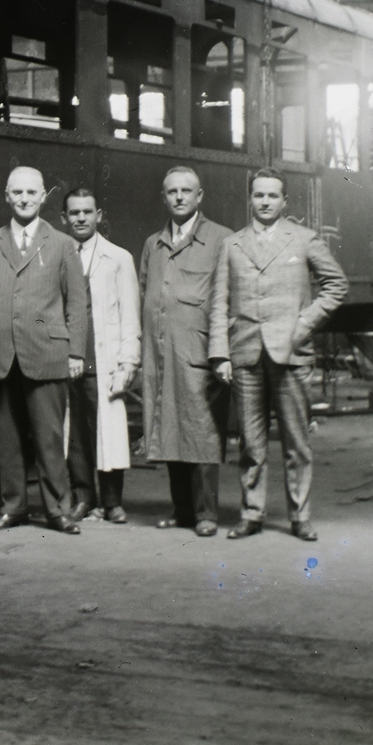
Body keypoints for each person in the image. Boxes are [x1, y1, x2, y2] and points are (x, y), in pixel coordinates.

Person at [210, 169, 347, 542]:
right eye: (259, 196)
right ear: (250, 200)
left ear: (285, 201)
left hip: (292, 354)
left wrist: (304, 324)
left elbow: (337, 285)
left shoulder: (303, 240)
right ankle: (251, 513)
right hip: (246, 354)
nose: (265, 202)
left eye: (273, 196)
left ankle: (300, 516)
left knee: (296, 442)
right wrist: (220, 354)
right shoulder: (232, 245)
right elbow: (220, 302)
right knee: (251, 444)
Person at [0, 166, 89, 534]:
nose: (24, 199)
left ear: (43, 197)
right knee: (8, 439)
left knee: (50, 437)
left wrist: (76, 353)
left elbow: (77, 304)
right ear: (7, 195)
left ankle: (57, 509)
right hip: (1, 355)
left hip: (47, 353)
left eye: (31, 193)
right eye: (17, 193)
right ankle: (14, 507)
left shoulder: (63, 244)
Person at [139, 166, 231, 537]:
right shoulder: (153, 244)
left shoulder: (222, 240)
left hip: (198, 353)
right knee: (169, 430)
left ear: (199, 196)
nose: (179, 197)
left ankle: (207, 513)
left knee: (202, 434)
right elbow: (146, 292)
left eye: (186, 191)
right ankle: (182, 512)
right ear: (164, 197)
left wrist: (220, 352)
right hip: (161, 352)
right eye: (172, 191)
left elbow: (229, 300)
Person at [61, 188, 141, 525]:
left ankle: (112, 502)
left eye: (87, 212)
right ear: (64, 218)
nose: (81, 218)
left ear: (99, 215)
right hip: (67, 359)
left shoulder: (118, 257)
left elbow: (129, 314)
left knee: (108, 430)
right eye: (74, 213)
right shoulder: (57, 254)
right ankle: (83, 497)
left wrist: (128, 360)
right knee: (75, 431)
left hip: (103, 358)